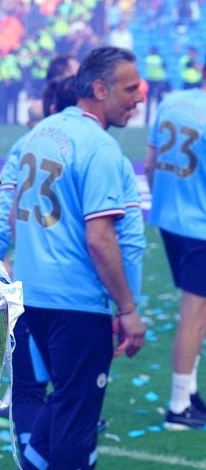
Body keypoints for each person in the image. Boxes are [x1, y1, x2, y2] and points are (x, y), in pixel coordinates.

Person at [12, 46, 146, 469]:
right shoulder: (100, 147)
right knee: (76, 419)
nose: (139, 98)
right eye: (130, 89)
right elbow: (100, 239)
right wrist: (128, 308)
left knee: (64, 401)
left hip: (37, 294)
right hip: (76, 300)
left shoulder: (43, 131)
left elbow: (17, 213)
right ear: (100, 89)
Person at [145, 62, 206, 429]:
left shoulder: (173, 101)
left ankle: (190, 392)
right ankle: (179, 405)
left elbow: (150, 164)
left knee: (199, 311)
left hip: (170, 218)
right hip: (199, 225)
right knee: (195, 312)